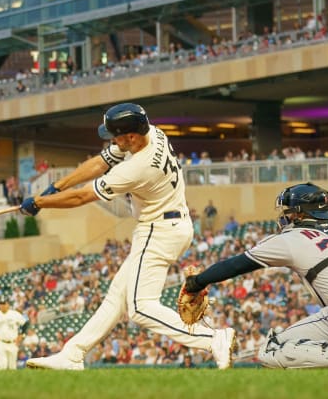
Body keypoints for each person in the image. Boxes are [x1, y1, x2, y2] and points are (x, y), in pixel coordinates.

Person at [20, 102, 235, 370]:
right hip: (170, 223)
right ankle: (72, 354)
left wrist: (40, 203)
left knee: (140, 307)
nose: (111, 140)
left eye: (115, 135)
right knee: (116, 297)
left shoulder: (138, 168)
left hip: (159, 229)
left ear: (130, 136)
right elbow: (100, 162)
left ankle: (213, 338)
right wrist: (56, 186)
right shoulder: (152, 133)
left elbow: (82, 197)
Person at [180, 182, 328, 369]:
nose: (286, 215)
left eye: (289, 211)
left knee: (270, 349)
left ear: (299, 213)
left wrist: (196, 283)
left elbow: (235, 265)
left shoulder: (292, 238)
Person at [0, 298, 27, 370]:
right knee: (3, 365)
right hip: (1, 342)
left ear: (8, 305)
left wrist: (21, 335)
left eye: (4, 304)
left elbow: (25, 323)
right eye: (1, 304)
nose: (2, 305)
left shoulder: (14, 314)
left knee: (12, 366)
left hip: (13, 342)